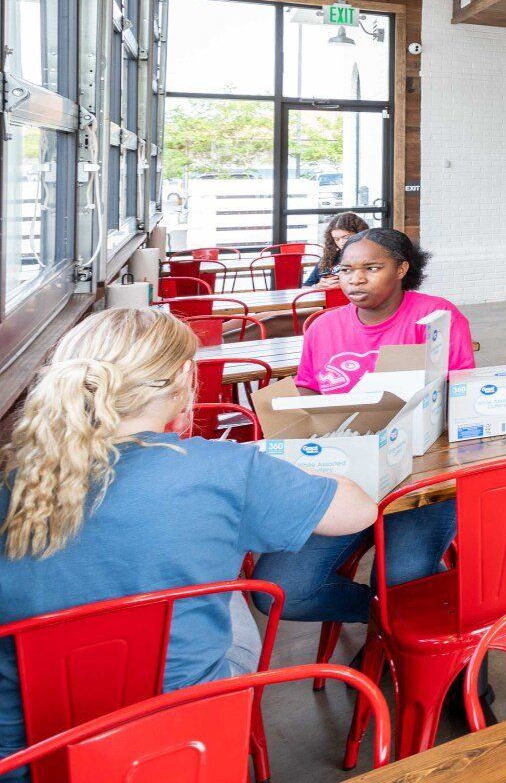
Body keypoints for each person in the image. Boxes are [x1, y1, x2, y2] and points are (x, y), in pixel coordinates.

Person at [0, 309, 376, 770]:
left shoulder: (13, 479)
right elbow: (359, 510)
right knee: (230, 590)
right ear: (183, 377)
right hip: (182, 733)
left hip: (26, 752)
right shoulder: (227, 468)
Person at [254, 228, 474, 625]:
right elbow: (309, 388)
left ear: (402, 269)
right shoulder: (323, 328)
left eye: (372, 268)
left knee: (402, 578)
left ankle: (423, 641)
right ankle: (388, 625)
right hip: (342, 479)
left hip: (420, 477)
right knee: (280, 593)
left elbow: (460, 393)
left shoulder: (436, 317)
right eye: (345, 269)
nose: (355, 278)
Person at [302, 211, 370, 287]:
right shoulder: (329, 259)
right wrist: (318, 286)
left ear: (361, 234)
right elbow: (305, 286)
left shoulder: (374, 258)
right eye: (336, 239)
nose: (342, 243)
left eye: (347, 237)